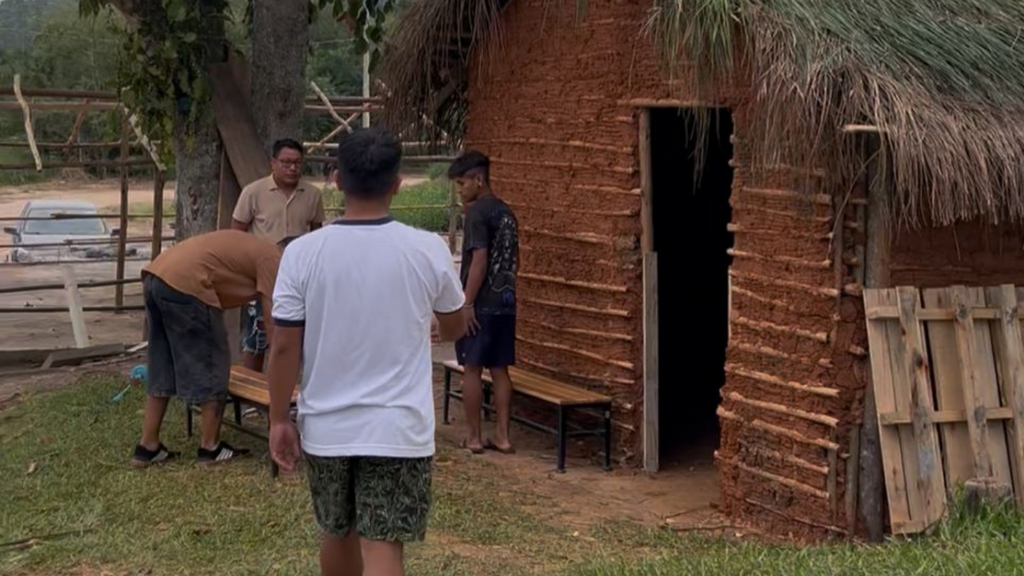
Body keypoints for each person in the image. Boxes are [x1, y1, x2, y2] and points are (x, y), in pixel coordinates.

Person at [267, 127, 466, 576]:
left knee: (336, 532)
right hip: (399, 427)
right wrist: (433, 322)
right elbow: (455, 325)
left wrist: (280, 418)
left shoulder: (302, 254)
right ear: (397, 184)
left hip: (327, 427)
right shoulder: (427, 249)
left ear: (336, 179)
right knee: (383, 545)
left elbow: (282, 347)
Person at [131, 230, 288, 468]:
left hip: (156, 277)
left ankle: (147, 447)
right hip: (189, 283)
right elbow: (273, 324)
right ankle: (210, 447)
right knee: (214, 360)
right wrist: (284, 362)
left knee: (163, 362)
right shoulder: (274, 260)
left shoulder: (257, 248)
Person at [448, 151, 519, 455]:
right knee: (501, 369)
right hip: (505, 301)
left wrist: (467, 304)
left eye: (462, 183)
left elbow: (479, 260)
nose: (460, 190)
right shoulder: (506, 213)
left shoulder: (477, 213)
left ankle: (474, 437)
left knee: (472, 368)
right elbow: (514, 261)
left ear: (479, 179)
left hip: (480, 305)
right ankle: (503, 437)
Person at [233, 139, 325, 372]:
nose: (292, 168)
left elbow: (317, 236)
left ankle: (293, 396)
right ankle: (249, 402)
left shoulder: (313, 194)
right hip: (261, 278)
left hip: (298, 279)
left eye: (297, 163)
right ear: (273, 163)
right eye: (286, 162)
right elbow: (236, 235)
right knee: (255, 339)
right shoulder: (253, 192)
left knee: (296, 337)